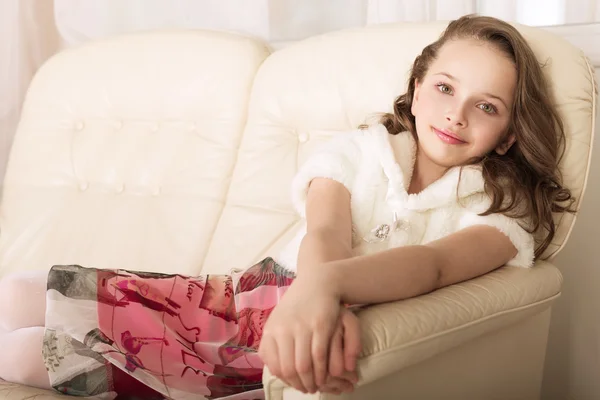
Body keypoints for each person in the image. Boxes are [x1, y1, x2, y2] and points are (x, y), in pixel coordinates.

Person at [0, 14, 573, 399]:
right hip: (239, 294)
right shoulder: (362, 149)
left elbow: (437, 266)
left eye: (487, 106)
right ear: (418, 86)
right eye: (446, 89)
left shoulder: (504, 216)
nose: (456, 115)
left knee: (30, 358)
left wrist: (329, 295)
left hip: (285, 333)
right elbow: (327, 230)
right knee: (16, 293)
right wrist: (316, 290)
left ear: (507, 135)